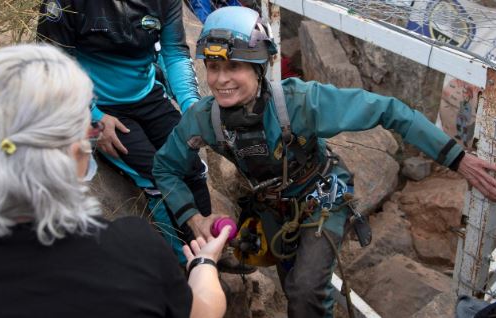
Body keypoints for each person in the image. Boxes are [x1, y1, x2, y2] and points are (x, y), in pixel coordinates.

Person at [152, 6, 496, 318]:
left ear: (259, 67)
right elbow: (165, 167)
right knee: (294, 290)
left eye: (234, 66)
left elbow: (389, 110)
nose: (222, 79)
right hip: (274, 210)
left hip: (324, 197)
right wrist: (193, 217)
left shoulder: (300, 103)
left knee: (305, 292)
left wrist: (457, 158)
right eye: (213, 67)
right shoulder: (204, 119)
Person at [0, 44, 228, 318]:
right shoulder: (134, 251)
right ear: (74, 155)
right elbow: (201, 311)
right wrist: (203, 264)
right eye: (87, 130)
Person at [36, 0, 212, 265]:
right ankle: (185, 264)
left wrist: (191, 108)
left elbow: (174, 52)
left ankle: (211, 250)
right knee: (155, 176)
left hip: (147, 94)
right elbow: (51, 62)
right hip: (96, 104)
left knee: (192, 166)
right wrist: (92, 116)